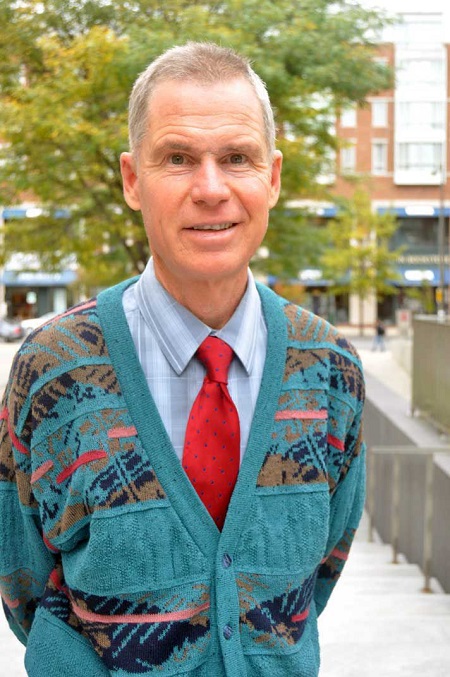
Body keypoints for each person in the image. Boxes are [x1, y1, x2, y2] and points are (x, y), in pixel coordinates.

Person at [0, 42, 366, 677]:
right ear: (132, 180)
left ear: (272, 178)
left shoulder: (329, 371)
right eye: (177, 159)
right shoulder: (53, 367)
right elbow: (21, 581)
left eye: (237, 159)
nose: (211, 188)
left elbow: (314, 577)